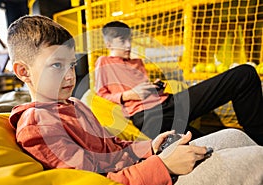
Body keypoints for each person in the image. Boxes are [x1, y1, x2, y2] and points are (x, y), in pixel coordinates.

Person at [7, 15, 263, 185]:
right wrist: (164, 166)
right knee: (257, 163)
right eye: (56, 66)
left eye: (72, 65)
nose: (70, 76)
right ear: (23, 72)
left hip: (143, 163)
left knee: (235, 136)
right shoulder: (37, 127)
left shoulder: (74, 104)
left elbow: (114, 148)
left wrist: (148, 147)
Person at [95, 21, 263, 145]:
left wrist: (155, 86)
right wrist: (128, 95)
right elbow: (101, 94)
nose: (129, 44)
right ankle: (249, 147)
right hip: (148, 117)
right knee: (215, 145)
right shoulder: (103, 62)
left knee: (244, 74)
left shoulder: (137, 62)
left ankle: (259, 140)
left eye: (129, 39)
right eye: (122, 41)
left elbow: (144, 88)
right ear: (109, 43)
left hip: (170, 101)